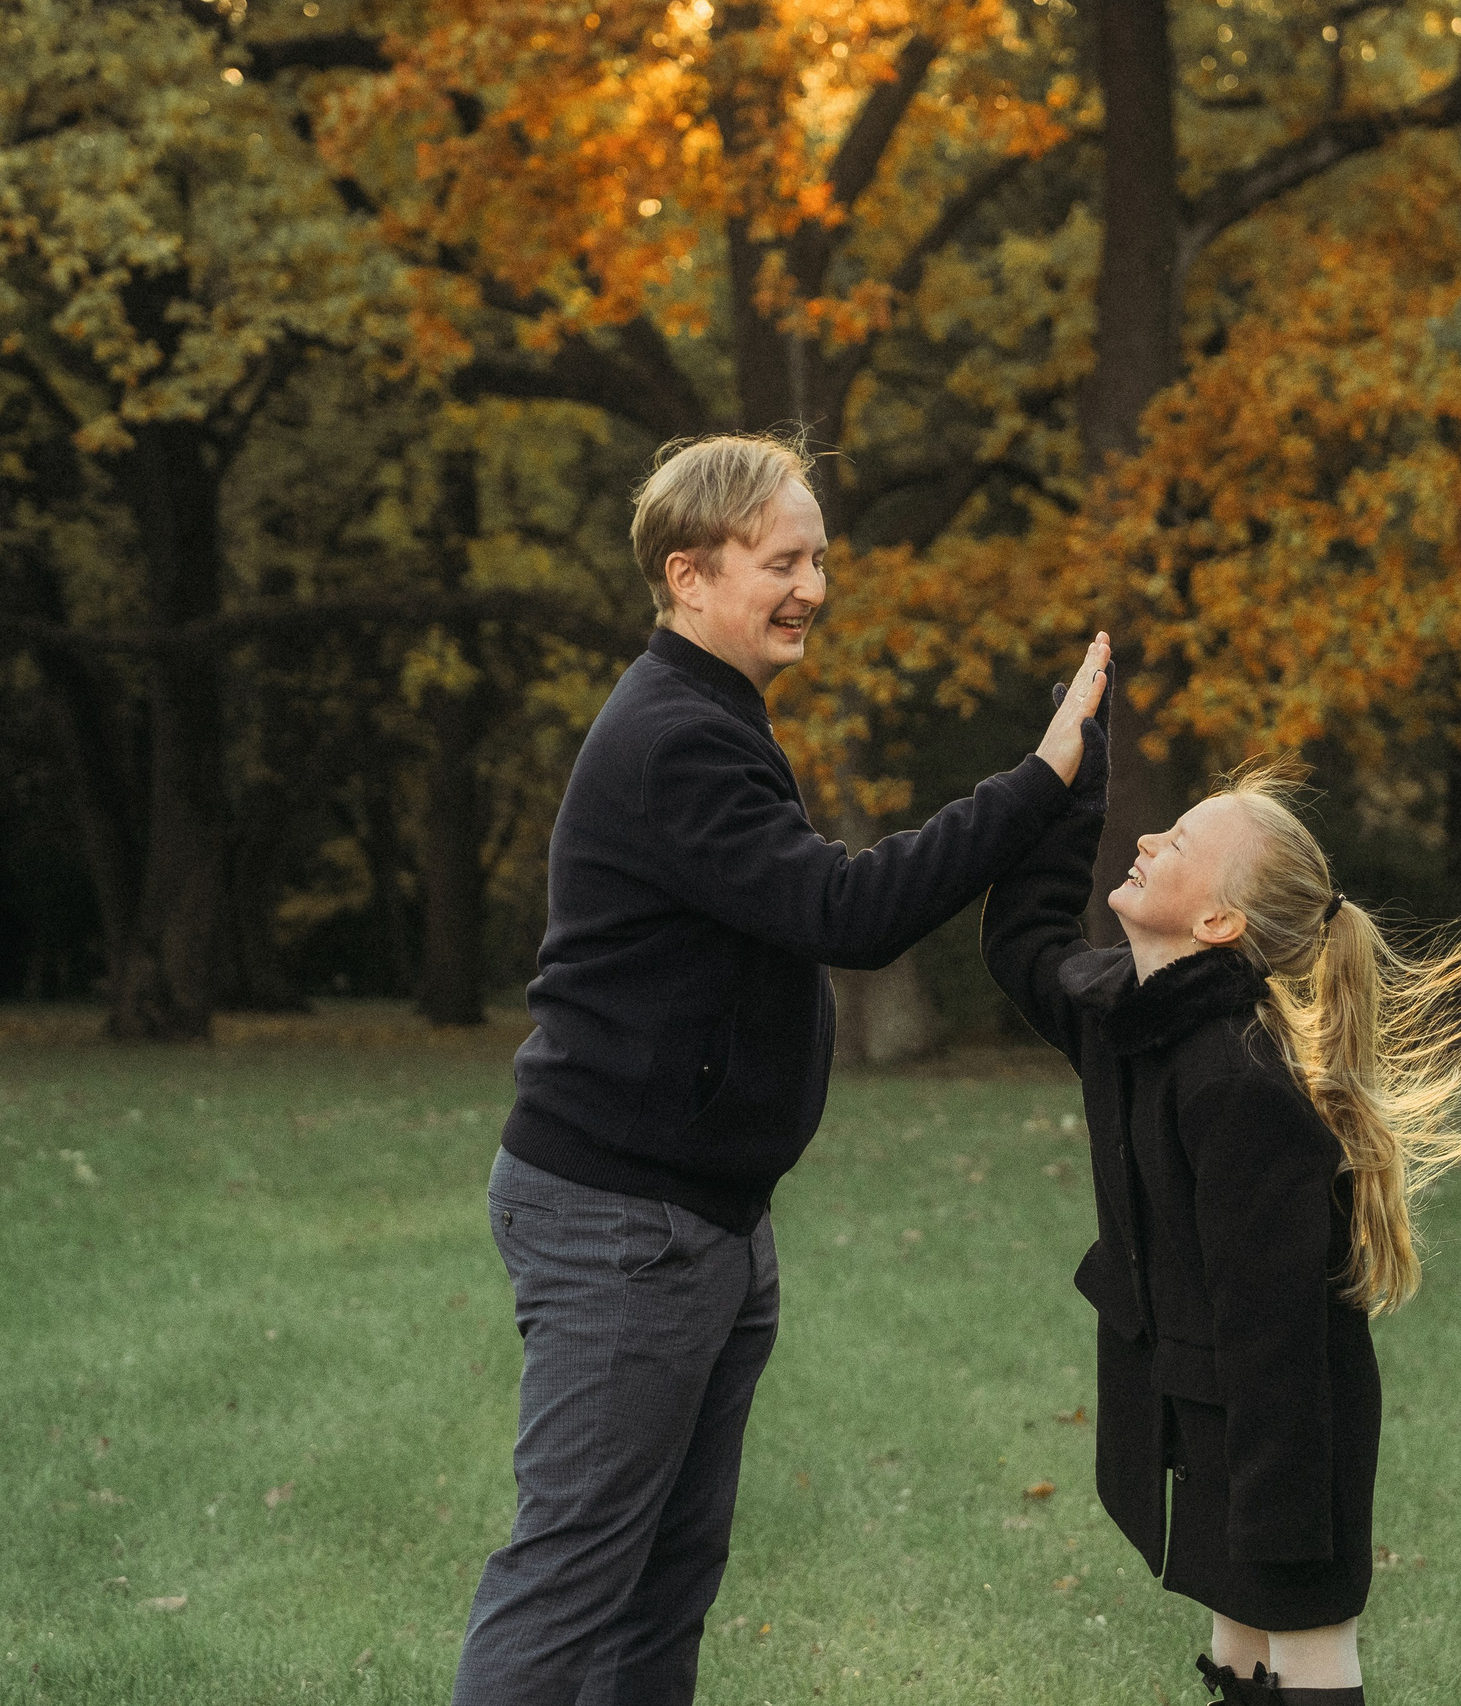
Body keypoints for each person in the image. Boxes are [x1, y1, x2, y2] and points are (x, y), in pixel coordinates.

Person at [450, 431, 1112, 1706]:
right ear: (689, 573)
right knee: (575, 1573)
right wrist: (1036, 782)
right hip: (623, 1224)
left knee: (665, 1577)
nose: (811, 585)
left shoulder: (711, 716)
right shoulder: (675, 738)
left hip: (702, 1217)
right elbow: (847, 913)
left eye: (819, 558)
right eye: (781, 560)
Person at [982, 748, 1461, 1706]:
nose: (1147, 840)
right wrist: (1064, 780)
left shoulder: (1237, 1088)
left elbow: (1278, 1338)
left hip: (1289, 1437)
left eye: (1178, 839)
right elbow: (1021, 940)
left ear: (1219, 921)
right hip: (1207, 1406)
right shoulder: (1127, 1015)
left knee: (1302, 1653)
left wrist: (1278, 1526)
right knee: (1236, 1651)